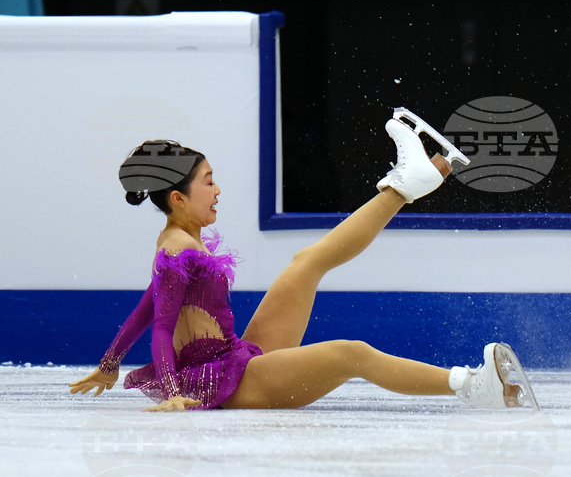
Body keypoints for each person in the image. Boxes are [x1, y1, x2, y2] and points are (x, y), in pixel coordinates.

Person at [69, 112, 534, 412]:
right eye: (208, 182)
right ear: (178, 197)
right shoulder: (176, 247)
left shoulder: (178, 241)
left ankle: (405, 186)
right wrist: (172, 395)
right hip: (220, 383)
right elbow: (162, 327)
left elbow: (145, 307)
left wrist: (111, 364)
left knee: (305, 263)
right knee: (349, 354)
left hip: (233, 358)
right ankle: (475, 386)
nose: (217, 191)